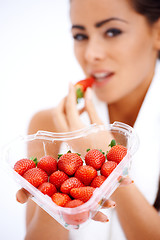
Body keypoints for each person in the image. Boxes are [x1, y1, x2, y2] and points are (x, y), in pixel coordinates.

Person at [16, 0, 160, 239]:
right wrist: (52, 198)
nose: (91, 55)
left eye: (112, 31)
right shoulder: (49, 126)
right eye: (80, 35)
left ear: (157, 33)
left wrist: (108, 164)